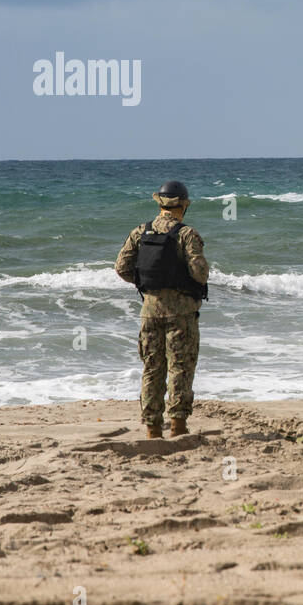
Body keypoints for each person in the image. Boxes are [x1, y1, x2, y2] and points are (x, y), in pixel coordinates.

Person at [115, 180, 209, 439]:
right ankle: (178, 425)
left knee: (152, 368)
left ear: (159, 203)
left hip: (150, 311)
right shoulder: (187, 234)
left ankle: (152, 428)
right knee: (180, 367)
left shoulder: (140, 232)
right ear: (183, 205)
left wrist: (147, 284)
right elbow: (200, 274)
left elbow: (121, 268)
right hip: (181, 313)